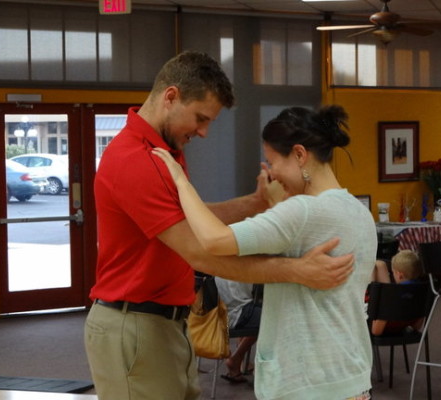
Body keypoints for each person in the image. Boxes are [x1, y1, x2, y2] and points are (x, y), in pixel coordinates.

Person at [85, 50, 355, 400]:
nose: (204, 132)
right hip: (135, 325)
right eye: (200, 118)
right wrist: (297, 270)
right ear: (171, 97)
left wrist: (253, 203)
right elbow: (200, 252)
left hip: (167, 323)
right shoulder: (135, 159)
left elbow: (185, 223)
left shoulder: (163, 149)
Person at [153, 104, 377, 400]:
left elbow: (214, 240)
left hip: (307, 380)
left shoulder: (304, 211)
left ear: (299, 155)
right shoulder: (358, 211)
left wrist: (181, 181)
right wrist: (272, 204)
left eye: (273, 161)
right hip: (350, 373)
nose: (271, 172)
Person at [215, 278, 261, 383]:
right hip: (236, 312)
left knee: (262, 312)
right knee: (274, 319)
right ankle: (238, 358)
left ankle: (240, 360)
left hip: (215, 315)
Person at [370, 249, 424, 336]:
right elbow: (417, 326)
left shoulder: (391, 296)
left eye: (393, 272)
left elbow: (376, 331)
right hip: (405, 328)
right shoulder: (423, 291)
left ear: (399, 275)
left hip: (385, 329)